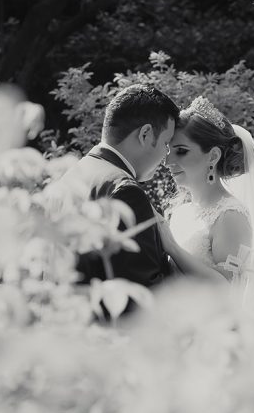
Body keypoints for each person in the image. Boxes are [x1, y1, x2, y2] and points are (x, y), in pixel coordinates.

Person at [158, 96, 254, 313]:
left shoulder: (231, 216)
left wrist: (171, 247)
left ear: (213, 155)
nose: (168, 162)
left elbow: (228, 288)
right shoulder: (182, 211)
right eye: (168, 150)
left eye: (181, 151)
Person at [53, 83, 179, 290]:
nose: (166, 157)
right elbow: (141, 294)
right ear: (145, 134)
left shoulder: (68, 179)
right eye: (166, 143)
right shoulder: (125, 191)